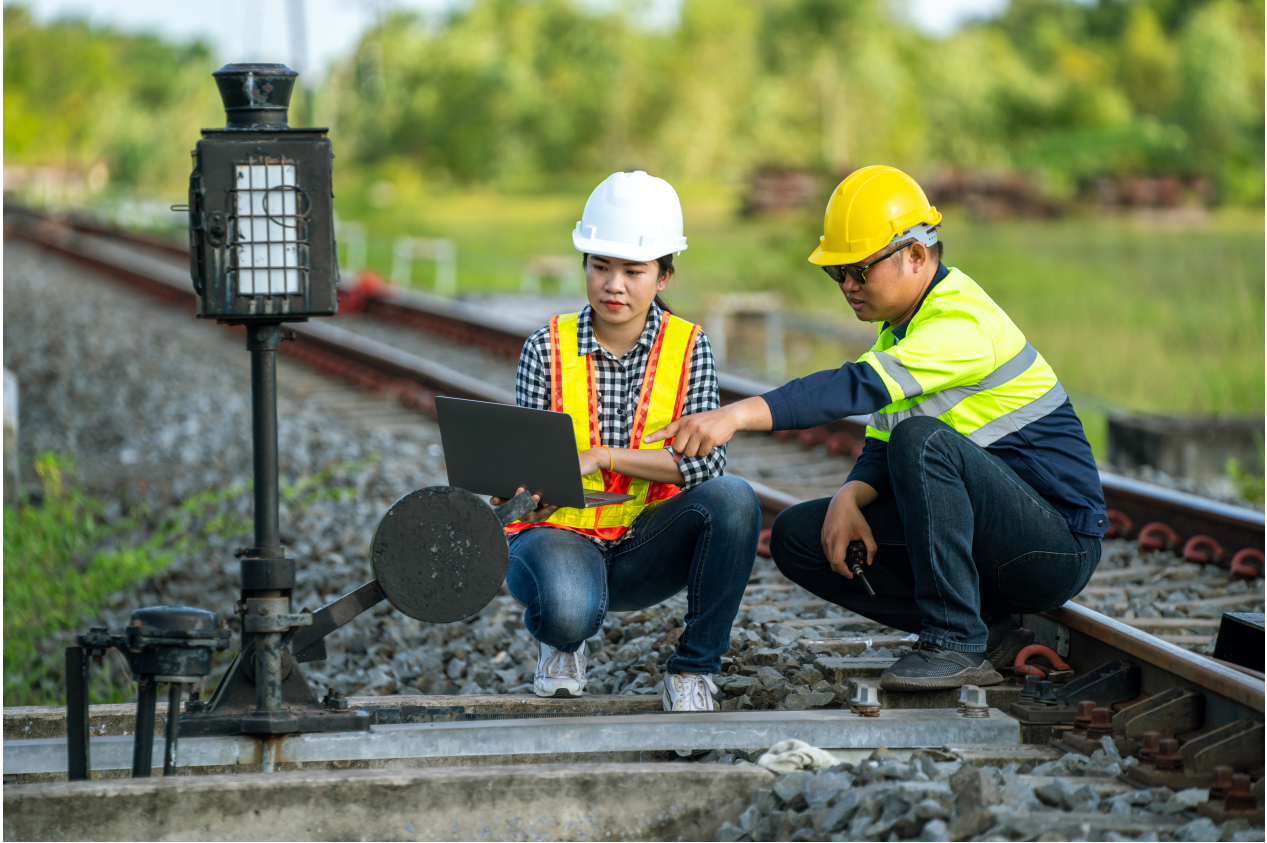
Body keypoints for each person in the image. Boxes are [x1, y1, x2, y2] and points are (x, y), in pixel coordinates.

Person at [646, 165, 1106, 691]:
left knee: (924, 441)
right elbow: (881, 445)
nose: (847, 285)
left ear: (915, 254)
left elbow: (854, 388)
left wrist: (736, 414)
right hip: (989, 541)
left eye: (859, 270)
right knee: (802, 536)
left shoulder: (960, 323)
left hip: (1052, 548)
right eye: (836, 273)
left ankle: (954, 641)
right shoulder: (899, 333)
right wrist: (847, 499)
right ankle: (990, 634)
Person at [493, 170, 760, 711]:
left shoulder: (690, 348)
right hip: (557, 533)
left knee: (734, 499)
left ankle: (694, 670)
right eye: (601, 266)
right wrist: (508, 485)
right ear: (585, 266)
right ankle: (562, 641)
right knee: (569, 609)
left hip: (644, 545)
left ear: (663, 276)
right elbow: (520, 464)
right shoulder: (545, 347)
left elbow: (704, 469)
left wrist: (605, 457)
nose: (615, 284)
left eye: (634, 271)